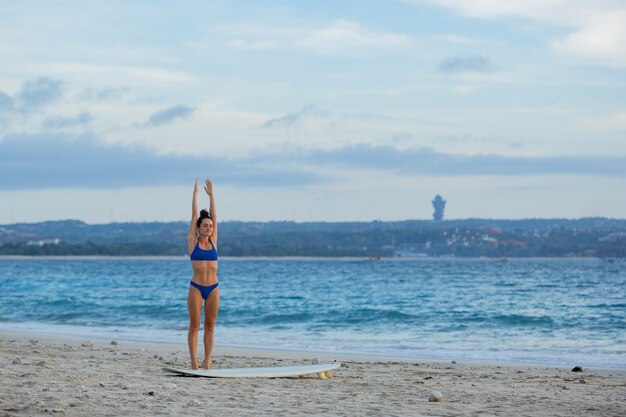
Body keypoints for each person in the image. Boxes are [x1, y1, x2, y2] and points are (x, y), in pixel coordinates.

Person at [187, 178, 220, 369]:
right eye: (205, 225)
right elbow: (193, 215)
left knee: (210, 326)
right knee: (194, 325)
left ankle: (207, 361)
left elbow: (215, 216)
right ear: (199, 228)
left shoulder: (214, 241)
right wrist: (196, 194)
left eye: (211, 226)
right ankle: (194, 361)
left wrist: (212, 195)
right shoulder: (193, 242)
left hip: (214, 288)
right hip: (197, 288)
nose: (209, 227)